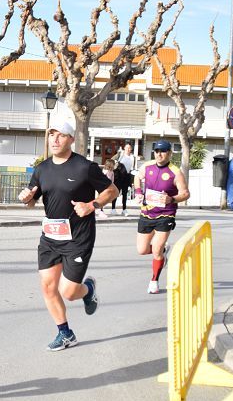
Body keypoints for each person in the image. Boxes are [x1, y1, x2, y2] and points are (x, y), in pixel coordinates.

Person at [18, 119, 119, 351]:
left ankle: (88, 290)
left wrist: (92, 205)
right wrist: (27, 199)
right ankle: (65, 334)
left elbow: (112, 190)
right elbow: (33, 200)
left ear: (71, 139)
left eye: (61, 135)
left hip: (78, 237)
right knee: (47, 287)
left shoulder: (85, 167)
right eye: (51, 134)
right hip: (50, 237)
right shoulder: (42, 169)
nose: (54, 139)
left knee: (69, 292)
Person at [133, 139, 190, 294]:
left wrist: (171, 199)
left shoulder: (175, 172)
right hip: (146, 212)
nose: (159, 154)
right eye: (157, 151)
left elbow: (185, 193)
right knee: (142, 250)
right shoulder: (147, 166)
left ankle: (154, 280)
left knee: (156, 249)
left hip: (166, 214)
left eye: (163, 151)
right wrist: (138, 192)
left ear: (169, 153)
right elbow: (137, 178)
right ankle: (162, 252)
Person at [116, 143, 137, 215]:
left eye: (129, 148)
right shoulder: (120, 155)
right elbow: (112, 161)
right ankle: (113, 208)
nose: (128, 149)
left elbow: (133, 168)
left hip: (127, 176)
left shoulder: (133, 157)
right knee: (116, 192)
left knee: (125, 194)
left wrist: (132, 179)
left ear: (131, 149)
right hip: (119, 176)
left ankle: (124, 209)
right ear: (124, 148)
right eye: (127, 148)